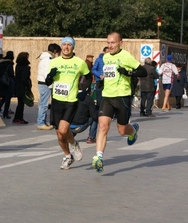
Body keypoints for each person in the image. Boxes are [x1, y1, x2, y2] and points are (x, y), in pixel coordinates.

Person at [93, 32, 147, 173]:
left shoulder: (126, 56)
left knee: (122, 130)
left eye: (113, 43)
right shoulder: (105, 57)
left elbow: (143, 72)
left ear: (120, 43)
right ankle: (98, 158)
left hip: (122, 97)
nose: (110, 46)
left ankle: (133, 131)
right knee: (103, 127)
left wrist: (128, 73)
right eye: (108, 43)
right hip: (107, 96)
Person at [45, 37, 92, 170]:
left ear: (73, 47)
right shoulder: (54, 62)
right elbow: (48, 82)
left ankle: (74, 144)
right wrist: (50, 76)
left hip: (71, 101)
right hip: (56, 101)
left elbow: (88, 77)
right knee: (59, 135)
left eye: (69, 45)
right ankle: (67, 156)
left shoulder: (79, 62)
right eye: (64, 44)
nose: (66, 47)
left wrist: (85, 90)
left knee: (64, 129)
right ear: (61, 47)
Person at [36, 43, 61, 130]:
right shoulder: (48, 60)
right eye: (58, 52)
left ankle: (42, 122)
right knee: (44, 104)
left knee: (43, 103)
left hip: (43, 83)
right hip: (45, 83)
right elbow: (47, 74)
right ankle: (40, 122)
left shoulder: (45, 59)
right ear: (55, 51)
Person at [13, 52, 31, 124]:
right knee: (21, 103)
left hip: (17, 85)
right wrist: (28, 84)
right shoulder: (25, 67)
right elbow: (24, 78)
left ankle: (17, 117)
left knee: (20, 102)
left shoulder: (18, 65)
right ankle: (19, 117)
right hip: (22, 86)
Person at [0, 51, 15, 119]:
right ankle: (5, 113)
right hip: (8, 82)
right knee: (7, 98)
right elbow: (11, 74)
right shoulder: (9, 64)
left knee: (4, 98)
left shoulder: (1, 63)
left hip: (1, 82)